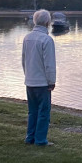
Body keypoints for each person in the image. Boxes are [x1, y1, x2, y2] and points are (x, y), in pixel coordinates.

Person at [21, 9, 57, 146]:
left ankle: (30, 137)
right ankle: (40, 139)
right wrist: (51, 81)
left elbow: (23, 60)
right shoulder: (47, 40)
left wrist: (27, 75)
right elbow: (49, 64)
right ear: (48, 22)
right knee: (43, 112)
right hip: (42, 82)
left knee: (32, 111)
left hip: (30, 81)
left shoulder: (27, 38)